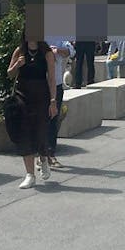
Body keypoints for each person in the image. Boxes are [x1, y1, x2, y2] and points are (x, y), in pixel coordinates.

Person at [6, 18, 57, 189]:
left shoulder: (47, 53)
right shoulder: (20, 51)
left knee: (41, 132)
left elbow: (51, 78)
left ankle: (43, 158)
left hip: (41, 96)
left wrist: (53, 101)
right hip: (22, 95)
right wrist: (17, 66)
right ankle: (29, 174)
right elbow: (9, 74)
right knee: (25, 133)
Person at [48, 39, 74, 168]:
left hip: (56, 83)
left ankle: (50, 154)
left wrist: (58, 51)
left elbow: (71, 51)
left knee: (53, 119)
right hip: (40, 83)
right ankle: (40, 154)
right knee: (40, 119)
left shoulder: (59, 34)